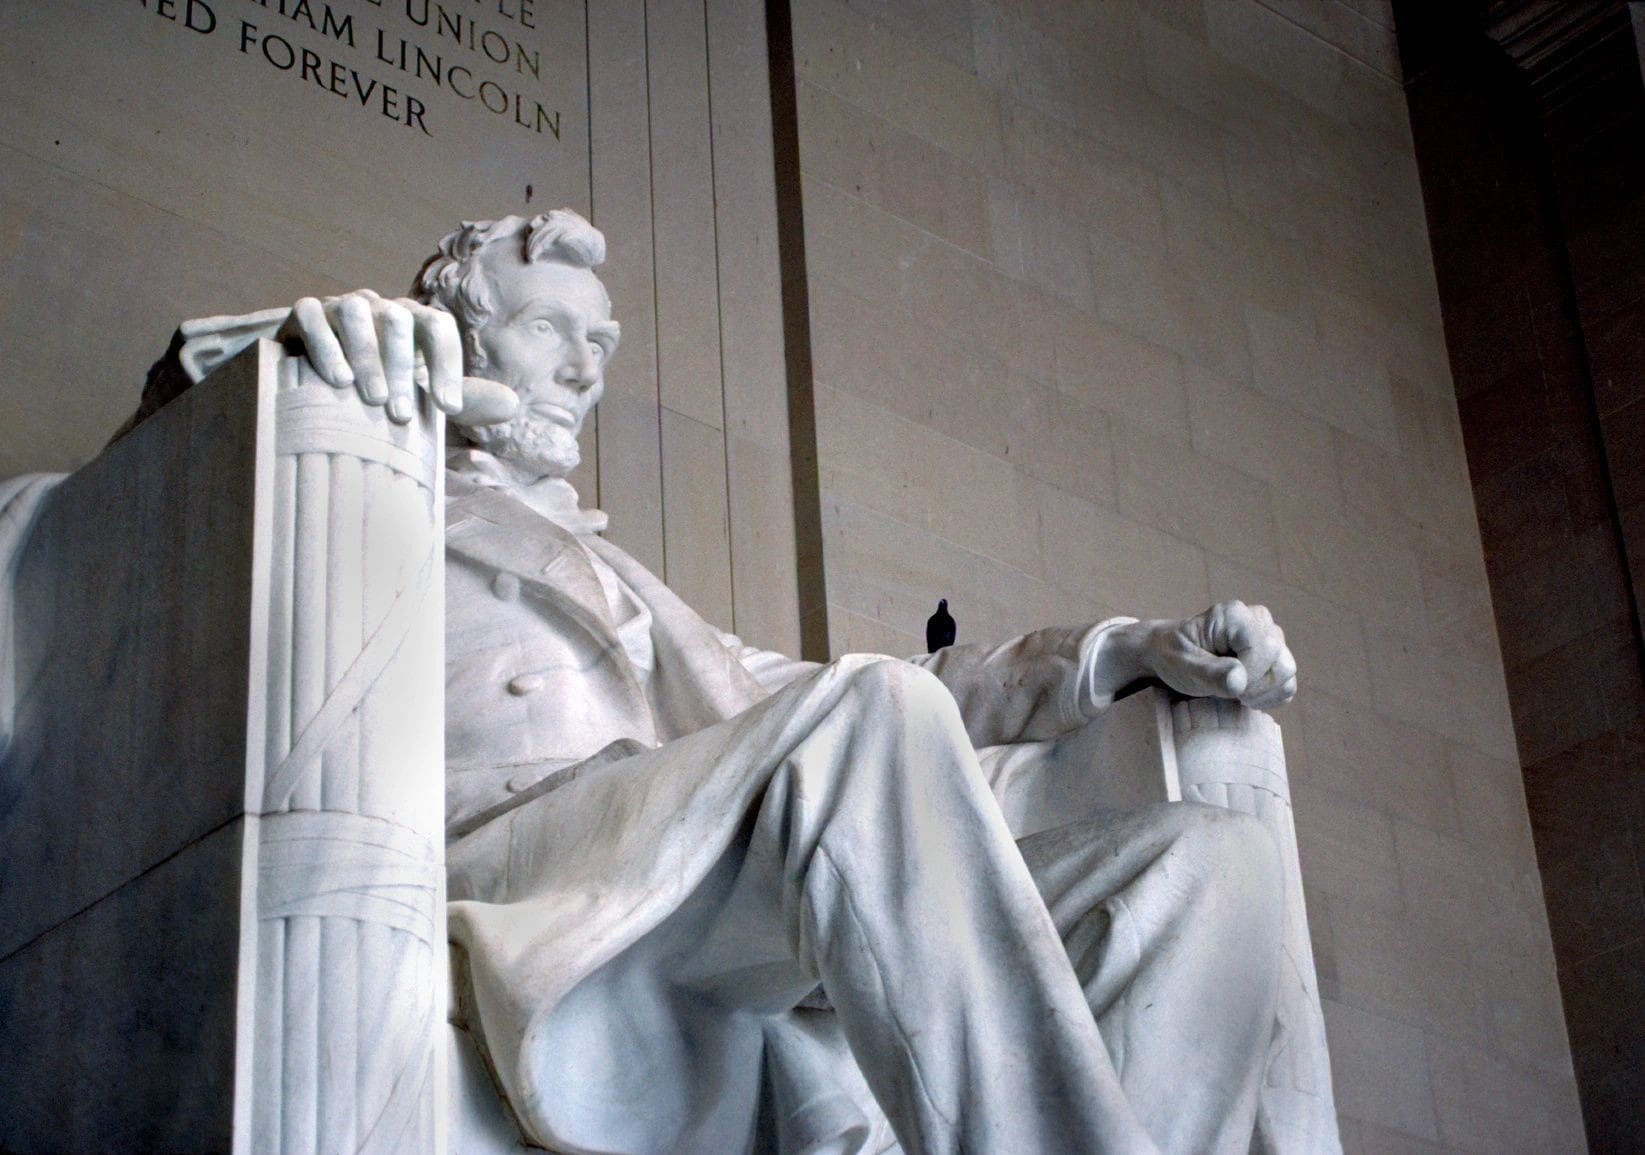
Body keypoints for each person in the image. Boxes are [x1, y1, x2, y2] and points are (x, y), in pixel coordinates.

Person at [125, 209, 1307, 1154]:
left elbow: (893, 689)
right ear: (459, 332)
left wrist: (1117, 655)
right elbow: (156, 463)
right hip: (509, 848)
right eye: (553, 333)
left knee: (1208, 864)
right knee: (867, 720)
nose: (585, 373)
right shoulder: (359, 453)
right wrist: (314, 348)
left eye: (601, 347)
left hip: (685, 846)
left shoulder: (630, 581)